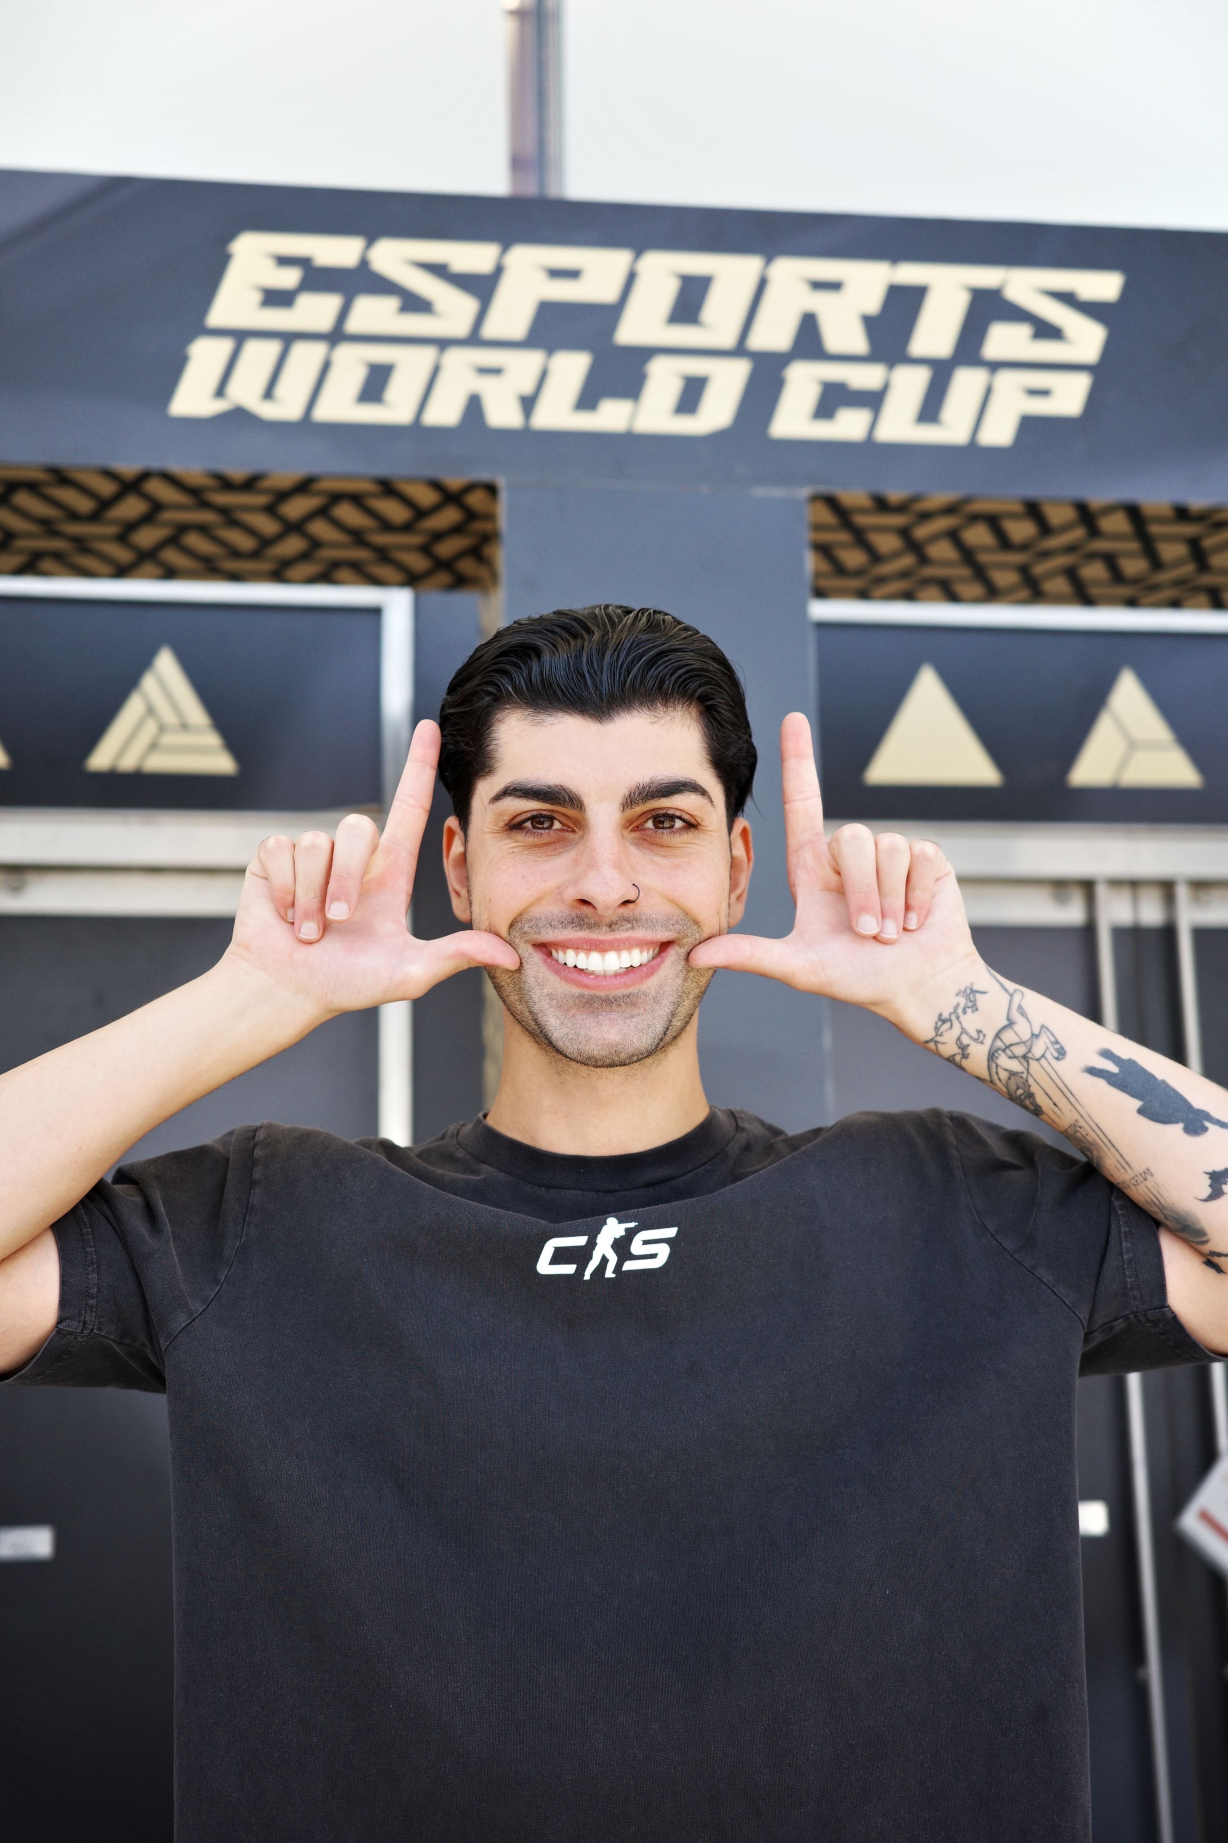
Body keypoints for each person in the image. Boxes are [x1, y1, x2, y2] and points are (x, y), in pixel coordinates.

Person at [0, 603, 1224, 1843]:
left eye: (663, 822)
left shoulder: (951, 1202)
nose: (602, 882)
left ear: (736, 868)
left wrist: (955, 997)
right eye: (539, 823)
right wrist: (253, 995)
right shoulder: (262, 1223)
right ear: (459, 868)